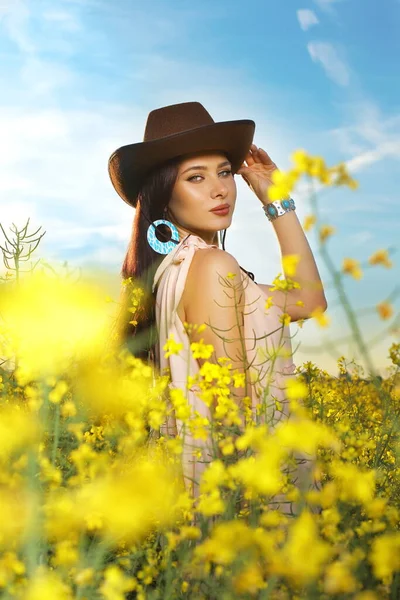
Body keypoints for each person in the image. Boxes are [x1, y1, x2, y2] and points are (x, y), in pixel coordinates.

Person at [108, 101, 327, 501]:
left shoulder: (172, 272)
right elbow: (238, 417)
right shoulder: (210, 266)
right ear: (162, 194)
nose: (220, 188)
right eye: (196, 177)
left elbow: (309, 301)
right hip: (245, 504)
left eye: (224, 172)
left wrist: (275, 199)